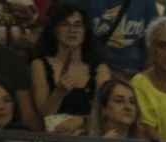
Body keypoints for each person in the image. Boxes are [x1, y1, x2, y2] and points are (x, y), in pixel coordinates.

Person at [30, 2, 110, 132]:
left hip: (90, 137)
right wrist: (59, 92)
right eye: (65, 24)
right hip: (54, 137)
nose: (72, 30)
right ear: (54, 30)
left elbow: (105, 111)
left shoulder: (100, 69)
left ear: (85, 31)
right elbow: (44, 114)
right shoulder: (39, 65)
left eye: (78, 25)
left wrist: (81, 121)